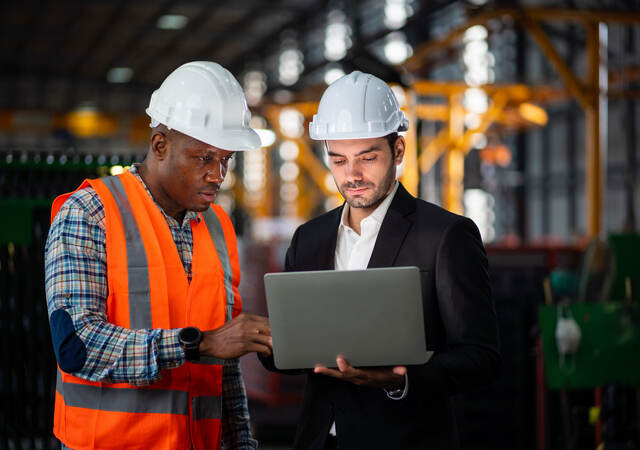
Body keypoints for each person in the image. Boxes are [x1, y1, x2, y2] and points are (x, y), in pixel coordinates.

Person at [260, 71, 501, 449]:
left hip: (405, 439)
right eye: (338, 160)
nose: (351, 175)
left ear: (398, 151)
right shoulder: (309, 238)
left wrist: (400, 380)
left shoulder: (445, 235)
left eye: (367, 157)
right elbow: (290, 360)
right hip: (320, 440)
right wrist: (268, 341)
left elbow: (481, 357)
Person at [45, 61, 272, 450]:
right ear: (160, 146)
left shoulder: (219, 226)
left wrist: (242, 443)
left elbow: (226, 366)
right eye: (204, 157)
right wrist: (196, 343)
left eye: (226, 159)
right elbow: (78, 346)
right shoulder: (90, 212)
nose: (219, 174)